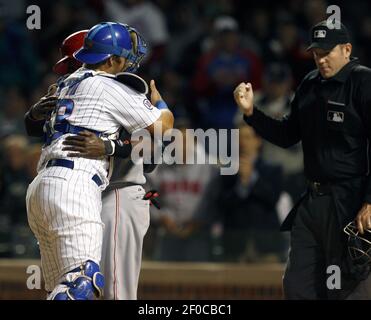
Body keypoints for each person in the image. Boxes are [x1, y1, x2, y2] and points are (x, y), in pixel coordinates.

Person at [25, 22, 173, 300]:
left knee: (94, 288)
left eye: (74, 61)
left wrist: (110, 146)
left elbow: (153, 150)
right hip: (78, 189)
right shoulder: (81, 86)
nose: (73, 68)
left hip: (113, 190)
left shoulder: (110, 87)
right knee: (82, 283)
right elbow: (164, 127)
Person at [234, 20, 371, 299]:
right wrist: (251, 114)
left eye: (327, 52)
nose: (320, 59)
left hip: (349, 200)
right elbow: (287, 134)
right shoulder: (310, 84)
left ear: (347, 49)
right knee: (297, 286)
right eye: (316, 53)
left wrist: (370, 201)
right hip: (312, 200)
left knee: (345, 287)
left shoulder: (362, 81)